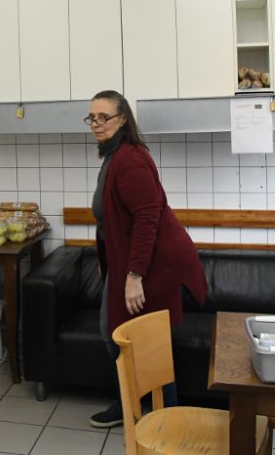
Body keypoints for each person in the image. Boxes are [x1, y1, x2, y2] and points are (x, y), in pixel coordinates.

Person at [86, 90, 208, 428]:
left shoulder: (129, 160)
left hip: (154, 265)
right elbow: (116, 217)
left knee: (147, 341)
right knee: (117, 332)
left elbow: (147, 217)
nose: (96, 123)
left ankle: (165, 419)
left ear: (123, 119)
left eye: (104, 117)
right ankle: (130, 403)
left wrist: (134, 275)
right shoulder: (115, 155)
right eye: (92, 118)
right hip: (129, 261)